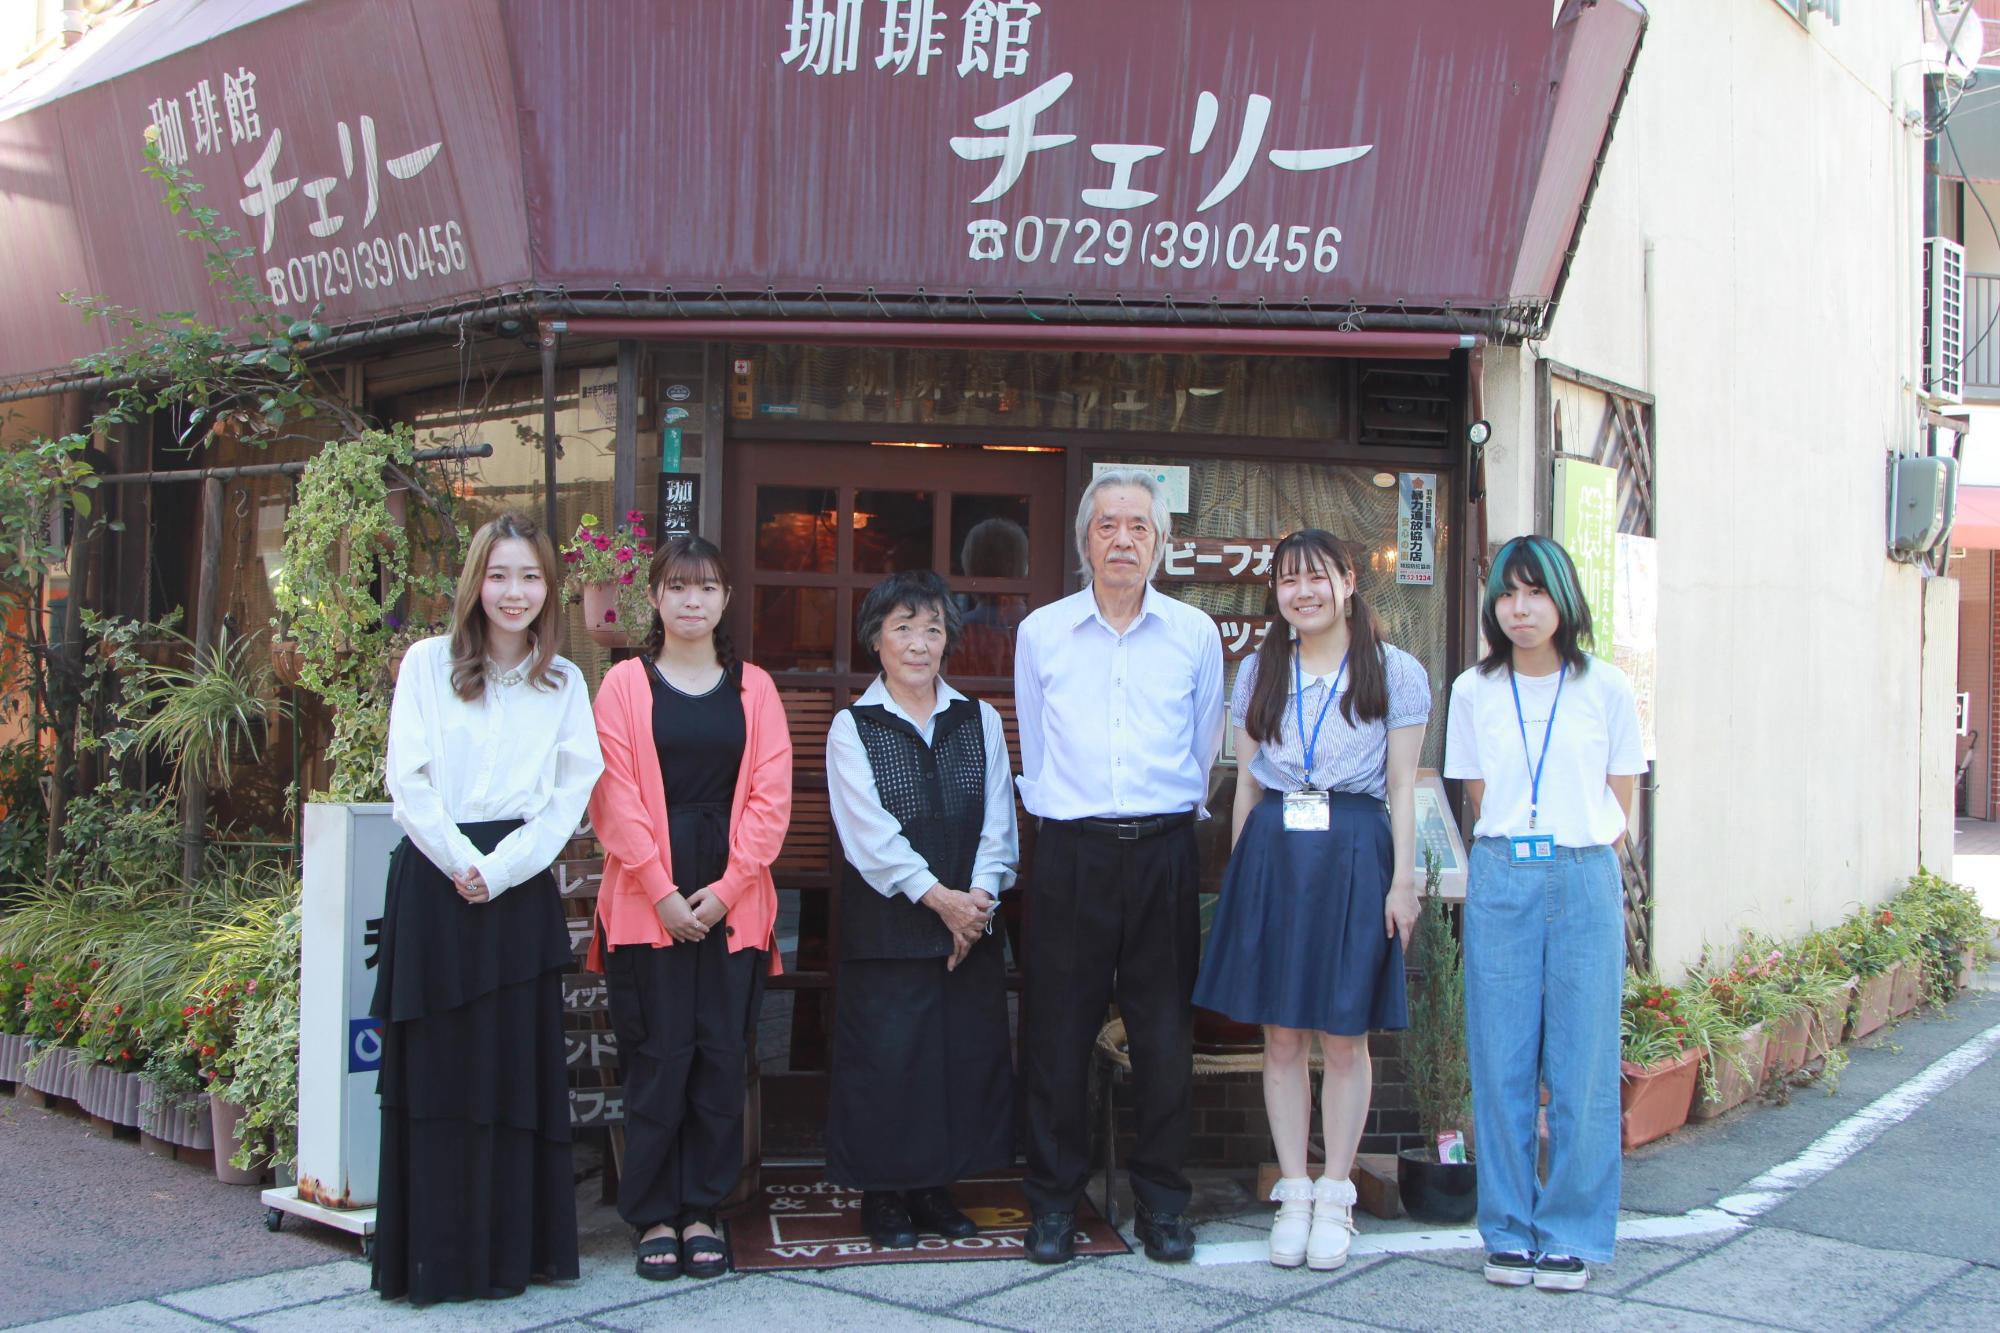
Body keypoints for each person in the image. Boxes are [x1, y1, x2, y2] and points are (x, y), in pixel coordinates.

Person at [372, 511, 605, 1305]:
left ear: (551, 588)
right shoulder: (427, 664)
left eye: (531, 576)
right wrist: (462, 861)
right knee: (439, 1073)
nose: (515, 592)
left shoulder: (565, 681)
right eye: (500, 575)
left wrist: (500, 869)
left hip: (517, 889)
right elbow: (409, 780)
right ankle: (437, 1256)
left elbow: (572, 792)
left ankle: (513, 1253)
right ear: (476, 581)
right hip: (436, 885)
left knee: (513, 1069)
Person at [1193, 529, 1429, 1270]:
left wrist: (1404, 882)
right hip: (1274, 849)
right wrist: (1239, 874)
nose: (1303, 591)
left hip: (1357, 848)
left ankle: (1337, 1193)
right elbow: (1251, 782)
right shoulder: (1260, 669)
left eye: (1317, 577)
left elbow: (1401, 788)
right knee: (1283, 1034)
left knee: (1344, 1033)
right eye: (1288, 580)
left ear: (1349, 581)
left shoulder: (1396, 672)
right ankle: (1293, 1191)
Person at [1013, 467, 1224, 1265]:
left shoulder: (1195, 634)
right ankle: (1054, 1204)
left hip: (1165, 849)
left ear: (1162, 544)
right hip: (1070, 853)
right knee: (1057, 1036)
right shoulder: (1043, 632)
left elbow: (1203, 745)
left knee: (1165, 1035)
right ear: (1083, 542)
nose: (1123, 539)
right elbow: (1037, 748)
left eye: (1139, 525)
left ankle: (1164, 1202)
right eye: (1108, 525)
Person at [1443, 535, 1646, 1294]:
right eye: (1506, 594)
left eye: (1535, 592)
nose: (1520, 609)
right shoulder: (1474, 688)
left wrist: (1572, 841)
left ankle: (1570, 1230)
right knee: (1500, 1056)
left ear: (1563, 598)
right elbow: (1475, 789)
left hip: (1584, 871)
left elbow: (1619, 795)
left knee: (1582, 1060)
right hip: (1502, 875)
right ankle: (1507, 1229)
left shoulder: (1606, 686)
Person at [587, 536, 793, 1281]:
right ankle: (653, 1215)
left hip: (733, 905)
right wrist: (665, 892)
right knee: (655, 1058)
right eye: (678, 586)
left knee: (717, 1057)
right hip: (649, 905)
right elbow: (613, 797)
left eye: (707, 587)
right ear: (656, 598)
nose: (693, 600)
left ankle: (705, 1208)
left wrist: (728, 888)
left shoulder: (756, 689)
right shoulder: (622, 686)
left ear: (726, 599)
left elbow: (771, 802)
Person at [823, 569, 1019, 1248]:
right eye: (902, 627)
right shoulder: (854, 726)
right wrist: (941, 902)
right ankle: (882, 1196)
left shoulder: (980, 718)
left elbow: (999, 822)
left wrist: (980, 902)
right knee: (888, 1061)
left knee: (957, 1061)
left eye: (933, 628)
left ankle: (936, 1189)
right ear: (875, 639)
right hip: (891, 925)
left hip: (969, 926)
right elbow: (868, 835)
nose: (919, 642)